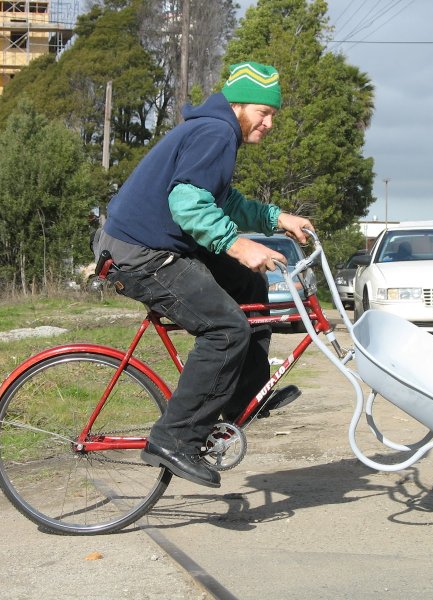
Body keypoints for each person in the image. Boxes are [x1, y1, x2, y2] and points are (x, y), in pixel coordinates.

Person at [93, 61, 314, 489]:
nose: (269, 124)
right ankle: (173, 437)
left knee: (248, 286)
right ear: (238, 105)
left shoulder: (214, 129)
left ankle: (242, 396)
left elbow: (223, 202)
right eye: (263, 113)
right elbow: (189, 205)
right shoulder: (216, 131)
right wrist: (238, 245)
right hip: (139, 255)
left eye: (273, 116)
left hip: (151, 247)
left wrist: (277, 217)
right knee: (225, 329)